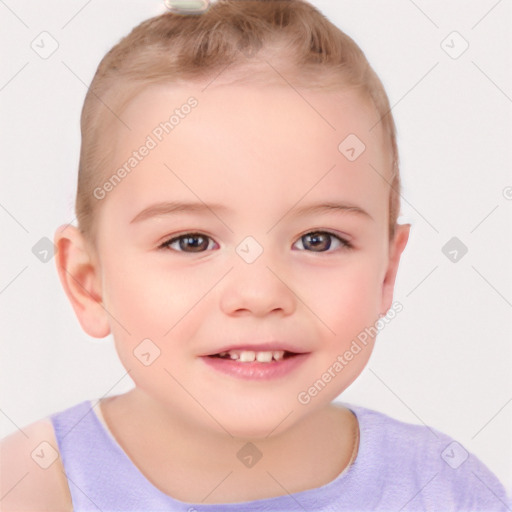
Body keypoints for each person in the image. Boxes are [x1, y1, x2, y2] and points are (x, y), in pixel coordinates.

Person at [1, 1, 509, 510]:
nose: (260, 293)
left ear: (386, 272)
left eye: (319, 240)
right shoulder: (29, 486)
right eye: (191, 242)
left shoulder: (445, 490)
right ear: (89, 282)